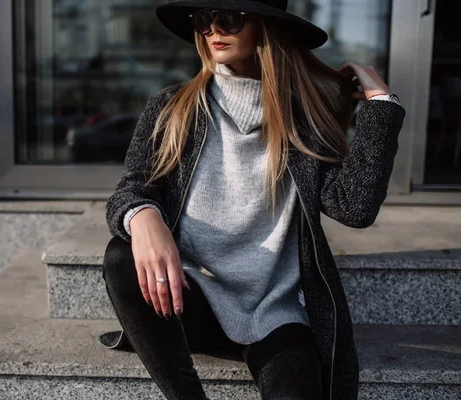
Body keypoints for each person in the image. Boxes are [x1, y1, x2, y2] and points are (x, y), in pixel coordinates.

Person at [100, 1, 406, 399]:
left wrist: (380, 105)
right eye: (203, 20)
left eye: (228, 18)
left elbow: (355, 206)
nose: (212, 30)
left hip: (272, 312)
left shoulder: (303, 123)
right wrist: (142, 217)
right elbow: (130, 188)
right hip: (187, 300)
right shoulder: (174, 107)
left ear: (267, 28)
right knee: (121, 255)